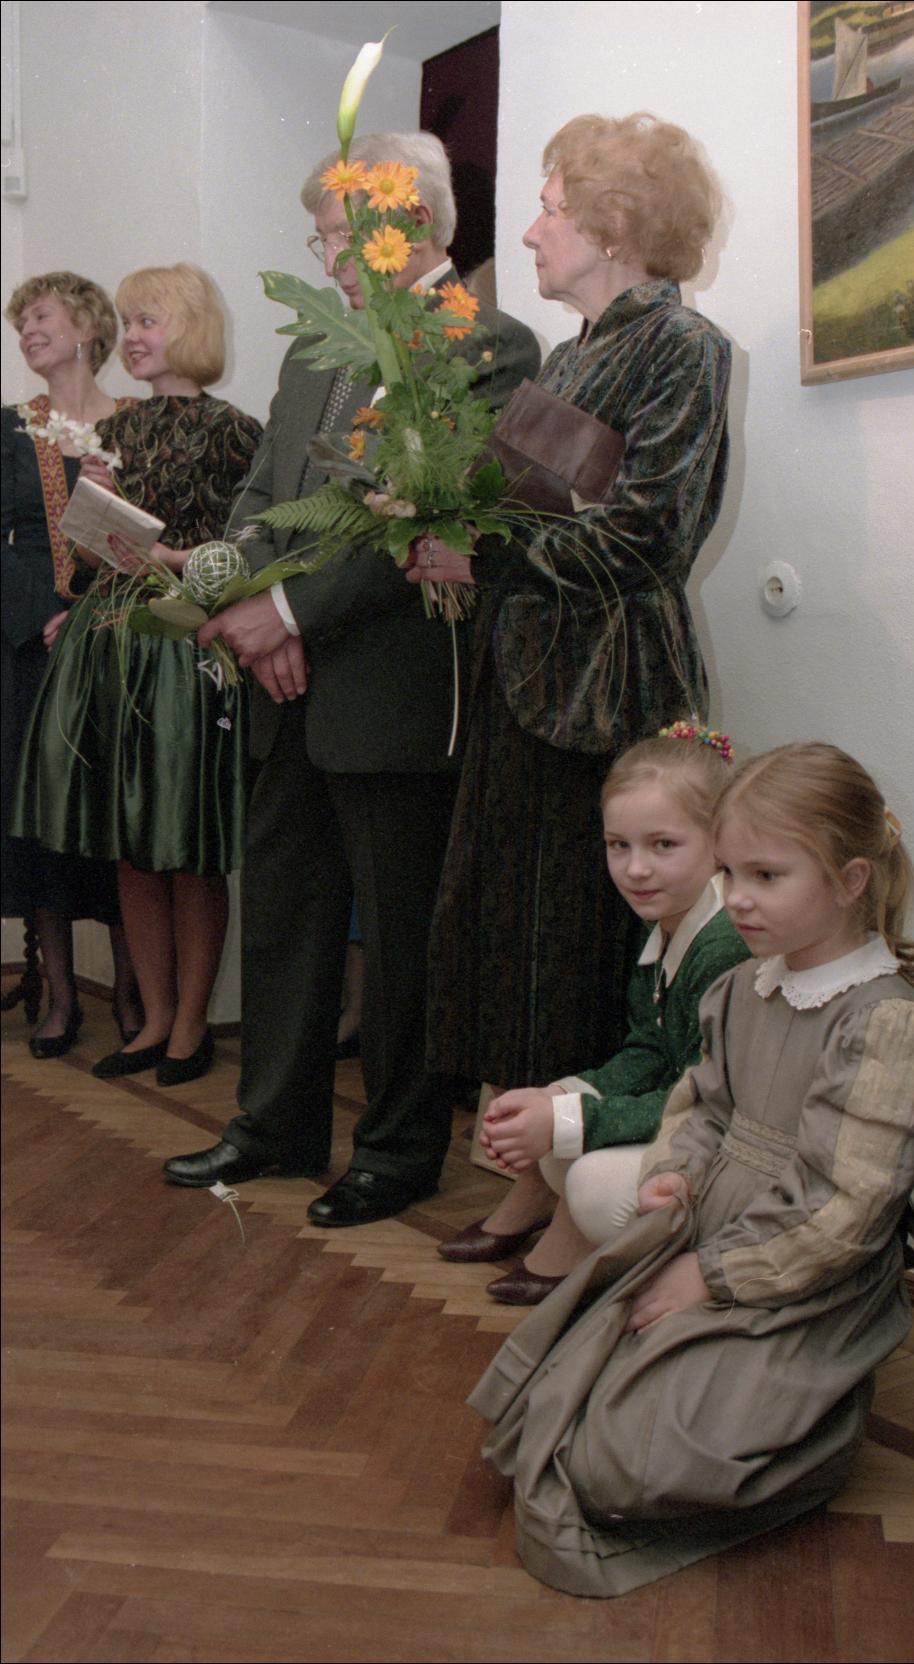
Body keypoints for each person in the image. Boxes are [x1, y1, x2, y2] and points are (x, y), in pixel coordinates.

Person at [161, 134, 540, 1224]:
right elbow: (262, 493)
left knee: (405, 932)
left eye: (339, 234)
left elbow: (413, 518)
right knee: (284, 912)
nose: (328, 258)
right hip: (283, 687)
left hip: (393, 689)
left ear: (406, 222)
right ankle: (274, 1124)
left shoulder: (486, 343)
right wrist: (248, 601)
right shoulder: (311, 357)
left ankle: (399, 1147)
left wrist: (284, 612)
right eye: (319, 238)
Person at [468, 743, 914, 1598]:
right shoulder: (742, 990)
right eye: (729, 872)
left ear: (850, 880)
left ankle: (809, 1442)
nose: (739, 898)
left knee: (620, 1468)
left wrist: (710, 1276)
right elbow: (703, 1108)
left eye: (766, 875)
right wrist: (675, 1175)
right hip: (702, 1232)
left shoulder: (882, 1024)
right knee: (549, 1403)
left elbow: (844, 1209)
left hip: (794, 1273)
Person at [406, 113, 732, 1114]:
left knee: (582, 942)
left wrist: (484, 553)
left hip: (606, 690)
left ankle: (575, 1154)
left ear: (614, 222)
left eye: (551, 210)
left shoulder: (683, 345)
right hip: (528, 684)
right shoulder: (566, 357)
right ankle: (534, 1151)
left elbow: (649, 535)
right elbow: (536, 516)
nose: (531, 232)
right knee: (517, 937)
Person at [12, 264, 262, 1085]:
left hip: (185, 649)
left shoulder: (233, 429)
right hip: (115, 644)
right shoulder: (118, 428)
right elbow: (96, 553)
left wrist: (167, 555)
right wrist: (98, 527)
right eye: (130, 322)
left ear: (189, 326)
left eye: (148, 321)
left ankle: (191, 1024)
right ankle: (152, 1017)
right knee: (131, 848)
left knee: (186, 846)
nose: (134, 338)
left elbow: (246, 554)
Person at [439, 726, 749, 1305]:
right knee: (557, 1122)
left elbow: (707, 1099)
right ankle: (589, 1250)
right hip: (694, 1125)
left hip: (727, 1148)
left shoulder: (723, 947)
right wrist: (561, 1096)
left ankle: (647, 1268)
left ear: (720, 841)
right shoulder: (669, 919)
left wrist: (570, 1118)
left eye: (663, 845)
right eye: (618, 845)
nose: (635, 868)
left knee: (585, 1176)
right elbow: (650, 1049)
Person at [2, 272, 142, 1058]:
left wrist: (90, 616)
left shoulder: (137, 424)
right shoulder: (9, 430)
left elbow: (152, 535)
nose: (27, 330)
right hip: (31, 653)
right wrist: (39, 615)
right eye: (20, 322)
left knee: (116, 819)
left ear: (87, 326)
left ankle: (131, 991)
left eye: (40, 315)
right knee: (40, 829)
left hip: (116, 645)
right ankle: (60, 994)